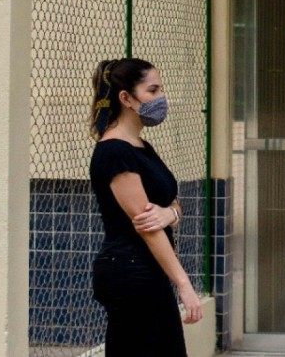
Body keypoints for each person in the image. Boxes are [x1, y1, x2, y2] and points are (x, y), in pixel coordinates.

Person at [88, 58, 202, 356]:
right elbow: (147, 227)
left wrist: (171, 213)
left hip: (148, 271)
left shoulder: (140, 147)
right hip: (130, 273)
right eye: (153, 90)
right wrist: (184, 284)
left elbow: (168, 204)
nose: (161, 97)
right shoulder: (114, 152)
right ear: (126, 98)